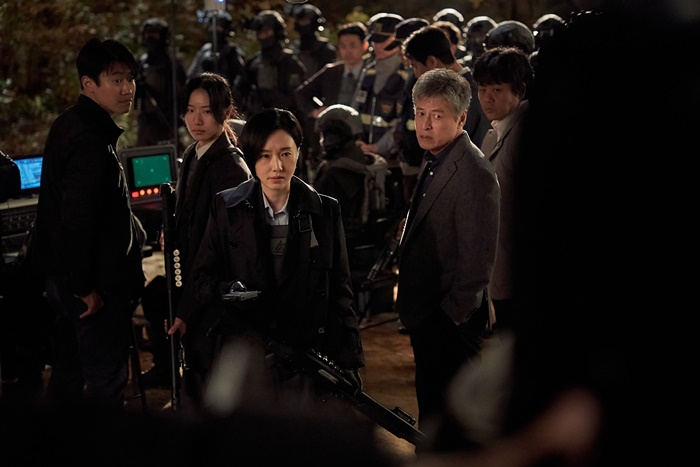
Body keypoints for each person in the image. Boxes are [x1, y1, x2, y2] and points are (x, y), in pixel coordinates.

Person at [184, 108, 365, 411]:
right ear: (251, 157)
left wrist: (350, 359)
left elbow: (340, 290)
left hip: (304, 352)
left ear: (298, 153)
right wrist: (230, 291)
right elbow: (201, 278)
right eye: (265, 156)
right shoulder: (227, 207)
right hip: (248, 352)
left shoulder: (324, 211)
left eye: (285, 154)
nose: (276, 166)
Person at [29, 38, 147, 410]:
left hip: (68, 280)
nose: (127, 88)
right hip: (92, 288)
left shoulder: (70, 124)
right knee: (105, 383)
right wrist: (83, 287)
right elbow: (76, 219)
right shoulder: (90, 140)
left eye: (130, 78)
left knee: (67, 373)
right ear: (88, 84)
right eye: (116, 80)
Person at [395, 68, 499, 441]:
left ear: (461, 118)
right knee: (433, 414)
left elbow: (477, 263)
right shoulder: (435, 156)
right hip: (427, 314)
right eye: (420, 113)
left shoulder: (474, 173)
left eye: (437, 116)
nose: (425, 125)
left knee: (454, 424)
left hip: (449, 322)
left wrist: (450, 316)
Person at [141, 72, 252, 397]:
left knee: (206, 380)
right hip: (188, 275)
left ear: (225, 111)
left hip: (212, 292)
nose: (196, 120)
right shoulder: (193, 152)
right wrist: (170, 229)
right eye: (191, 110)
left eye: (206, 111)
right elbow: (186, 208)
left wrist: (186, 309)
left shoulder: (231, 168)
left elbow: (216, 250)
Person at [473, 46, 533, 332]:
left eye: (497, 89)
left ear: (519, 90)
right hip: (500, 267)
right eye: (482, 89)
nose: (487, 98)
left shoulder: (524, 133)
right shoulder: (495, 131)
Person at [312, 104, 388, 252]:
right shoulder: (370, 163)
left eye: (328, 136)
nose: (325, 142)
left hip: (341, 248)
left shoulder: (333, 174)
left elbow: (317, 219)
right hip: (369, 245)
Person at [295, 22, 370, 123]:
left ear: (364, 45)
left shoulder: (371, 73)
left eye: (353, 46)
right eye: (343, 46)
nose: (348, 52)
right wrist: (314, 111)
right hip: (333, 126)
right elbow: (301, 94)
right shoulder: (331, 72)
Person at [135, 17, 186, 151]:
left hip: (166, 120)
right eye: (148, 35)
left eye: (154, 35)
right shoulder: (141, 63)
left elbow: (181, 95)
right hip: (146, 120)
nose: (150, 38)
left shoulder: (172, 66)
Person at [187, 10, 248, 108]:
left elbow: (240, 81)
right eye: (212, 26)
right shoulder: (205, 50)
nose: (214, 30)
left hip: (223, 102)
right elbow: (192, 75)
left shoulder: (232, 52)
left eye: (218, 27)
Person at [289, 3, 337, 77]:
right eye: (301, 20)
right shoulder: (294, 48)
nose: (303, 24)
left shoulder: (325, 49)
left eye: (306, 20)